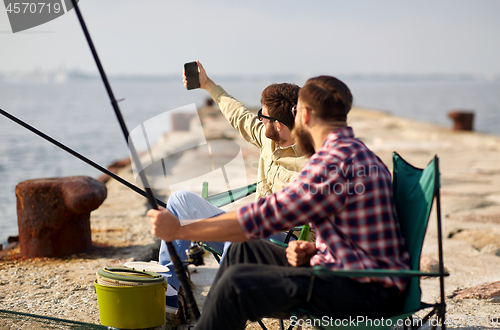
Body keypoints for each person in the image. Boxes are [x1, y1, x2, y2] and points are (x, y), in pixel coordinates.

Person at [149, 75, 411, 329]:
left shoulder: (331, 164)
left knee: (237, 284)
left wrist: (180, 231)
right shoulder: (355, 153)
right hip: (349, 276)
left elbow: (261, 219)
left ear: (303, 116)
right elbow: (352, 235)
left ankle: (214, 318)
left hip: (361, 294)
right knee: (242, 251)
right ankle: (210, 314)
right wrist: (314, 251)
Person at [158, 61, 308, 312]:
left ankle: (222, 310)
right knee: (180, 201)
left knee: (240, 233)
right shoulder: (269, 139)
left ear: (279, 124)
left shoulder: (312, 163)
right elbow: (238, 114)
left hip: (282, 249)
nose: (259, 118)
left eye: (263, 115)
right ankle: (169, 293)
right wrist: (207, 84)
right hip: (253, 228)